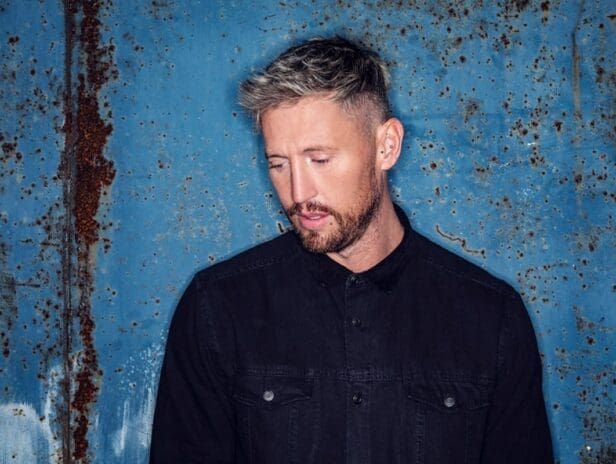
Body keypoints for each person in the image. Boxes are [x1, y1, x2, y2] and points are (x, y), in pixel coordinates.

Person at [150, 36, 553, 463]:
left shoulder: (490, 318)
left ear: (386, 146)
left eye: (319, 159)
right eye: (278, 164)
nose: (298, 193)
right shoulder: (218, 308)